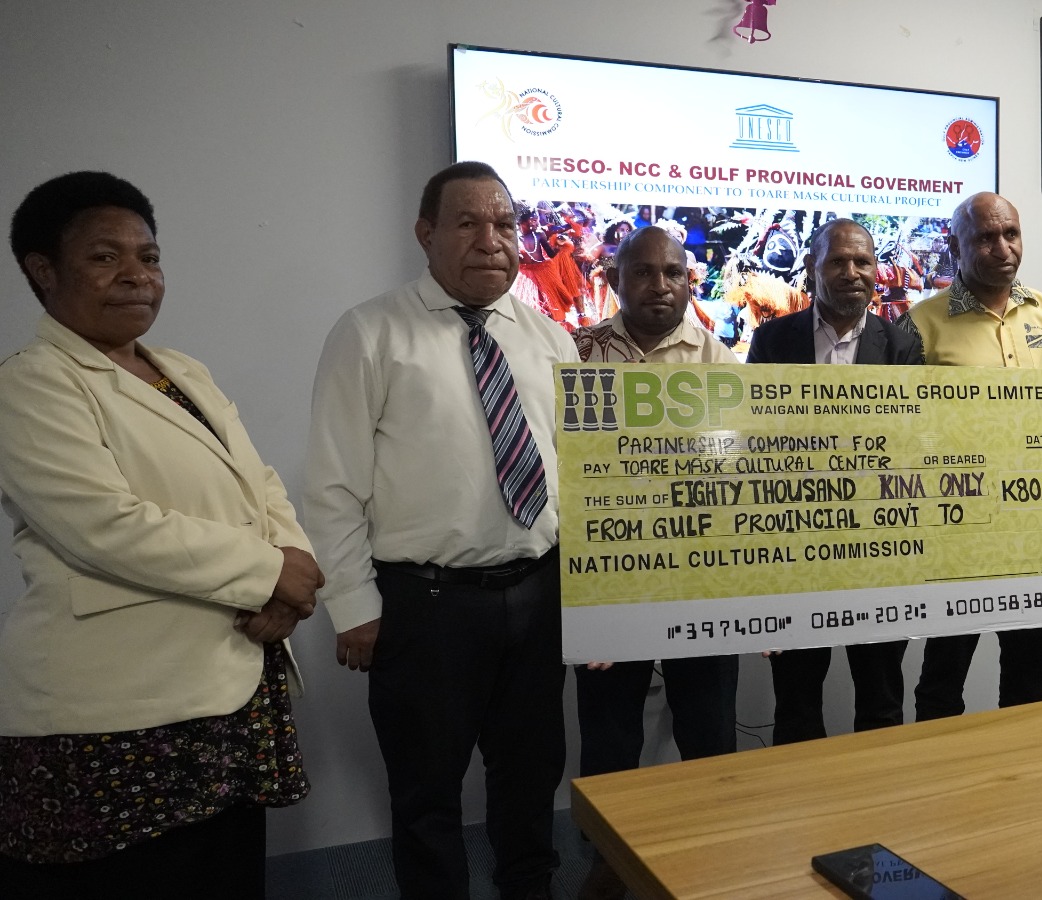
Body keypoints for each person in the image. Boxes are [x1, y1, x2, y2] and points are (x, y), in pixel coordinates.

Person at [0, 171, 321, 898]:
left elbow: (259, 483)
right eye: (103, 257)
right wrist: (268, 574)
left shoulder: (181, 371)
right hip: (116, 713)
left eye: (148, 257)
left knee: (224, 872)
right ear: (42, 270)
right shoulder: (32, 381)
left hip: (228, 683)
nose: (136, 275)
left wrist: (292, 572)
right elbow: (103, 526)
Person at [303, 161, 574, 900]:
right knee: (426, 791)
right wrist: (354, 606)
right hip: (425, 608)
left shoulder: (551, 339)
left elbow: (577, 474)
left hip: (538, 595)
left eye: (505, 224)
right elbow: (332, 485)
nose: (491, 240)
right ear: (426, 234)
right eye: (467, 223)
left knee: (531, 774)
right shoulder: (369, 332)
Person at [568, 226, 740, 900]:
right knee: (610, 739)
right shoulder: (577, 354)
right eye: (643, 272)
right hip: (610, 582)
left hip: (699, 581)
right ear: (616, 279)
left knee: (708, 731)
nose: (660, 286)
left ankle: (707, 863)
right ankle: (608, 868)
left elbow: (742, 482)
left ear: (690, 282)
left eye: (674, 273)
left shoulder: (718, 360)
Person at [899, 192, 1042, 720]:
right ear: (954, 245)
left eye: (1011, 234)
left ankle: (1025, 768)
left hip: (1035, 526)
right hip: (958, 529)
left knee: (1033, 674)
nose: (1003, 248)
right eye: (985, 237)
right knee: (943, 676)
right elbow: (900, 428)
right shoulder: (921, 323)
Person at [746, 218, 923, 743]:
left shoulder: (901, 346)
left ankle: (881, 795)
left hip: (880, 553)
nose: (852, 273)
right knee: (796, 708)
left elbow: (912, 445)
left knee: (883, 705)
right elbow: (756, 444)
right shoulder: (772, 341)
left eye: (862, 262)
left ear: (876, 269)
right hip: (796, 556)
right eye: (837, 262)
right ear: (811, 268)